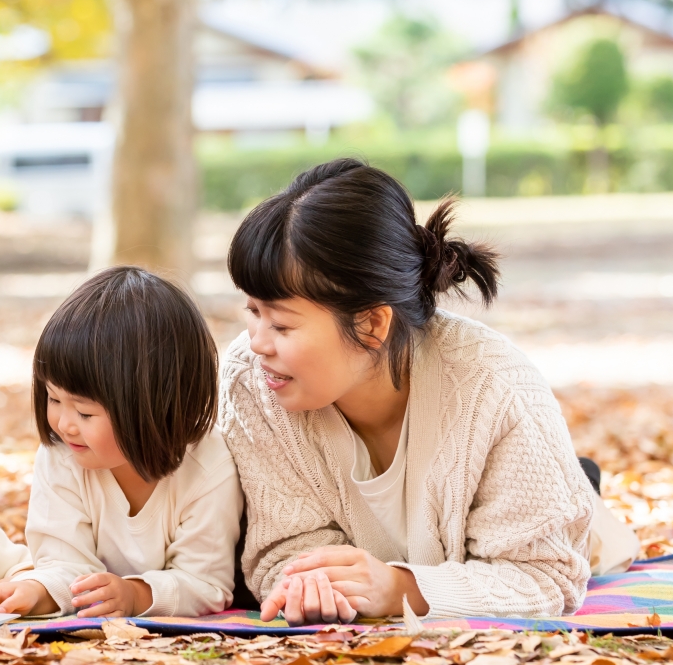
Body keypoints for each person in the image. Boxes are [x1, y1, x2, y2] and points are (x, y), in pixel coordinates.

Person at [218, 159, 639, 625]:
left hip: (520, 522)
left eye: (281, 323)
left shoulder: (496, 388)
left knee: (572, 520)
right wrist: (310, 584)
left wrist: (401, 588)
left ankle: (581, 489)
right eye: (252, 311)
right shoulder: (251, 380)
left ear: (372, 323)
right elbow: (282, 548)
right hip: (395, 544)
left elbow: (544, 576)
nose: (257, 343)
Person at [0, 266, 241, 619]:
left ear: (153, 406)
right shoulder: (61, 454)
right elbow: (63, 563)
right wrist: (36, 592)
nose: (64, 425)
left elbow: (205, 583)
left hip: (151, 604)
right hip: (47, 573)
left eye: (85, 412)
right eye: (53, 399)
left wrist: (135, 595)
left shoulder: (208, 466)